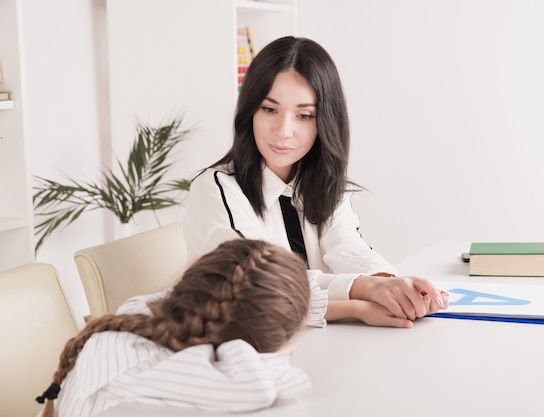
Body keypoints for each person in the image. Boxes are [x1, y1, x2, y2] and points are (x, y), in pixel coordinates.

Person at [180, 36, 449, 328]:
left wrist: (391, 285)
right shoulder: (216, 191)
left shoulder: (323, 182)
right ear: (250, 112)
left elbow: (347, 247)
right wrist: (358, 302)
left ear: (325, 122)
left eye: (304, 115)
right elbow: (261, 286)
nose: (284, 131)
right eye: (269, 109)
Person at [35, 239, 312, 417]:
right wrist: (278, 352)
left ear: (195, 270)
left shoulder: (142, 309)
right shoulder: (155, 367)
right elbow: (259, 388)